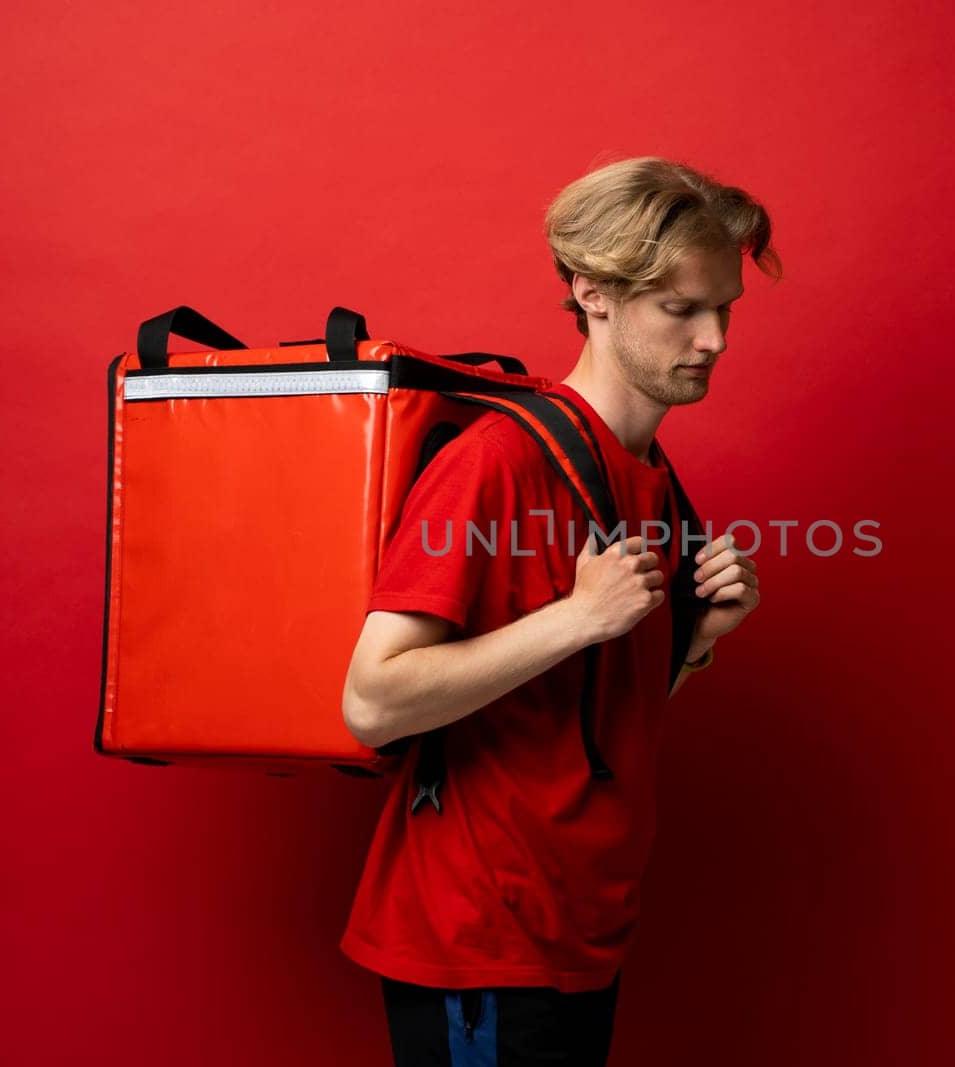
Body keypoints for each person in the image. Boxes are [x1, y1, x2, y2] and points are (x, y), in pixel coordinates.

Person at [339, 156, 781, 1065]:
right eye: (683, 308)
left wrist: (694, 646)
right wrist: (578, 617)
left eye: (724, 308)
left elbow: (593, 718)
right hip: (479, 939)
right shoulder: (498, 461)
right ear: (593, 292)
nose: (716, 339)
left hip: (581, 932)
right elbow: (371, 699)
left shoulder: (651, 479)